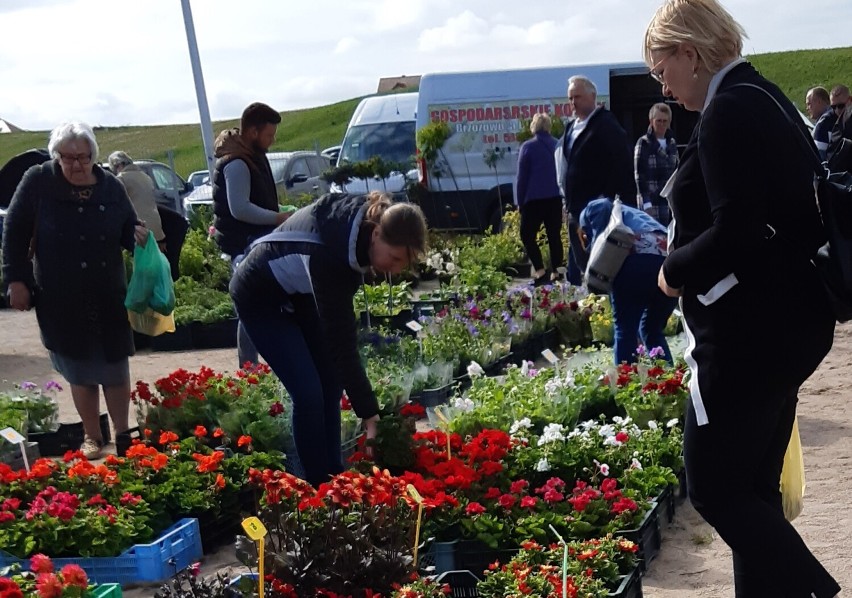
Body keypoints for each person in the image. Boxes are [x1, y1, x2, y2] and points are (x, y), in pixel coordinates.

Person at [644, 1, 839, 596]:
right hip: (792, 321)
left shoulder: (728, 110)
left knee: (714, 486)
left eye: (661, 70)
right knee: (753, 491)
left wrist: (673, 271)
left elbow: (739, 230)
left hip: (753, 334)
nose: (664, 87)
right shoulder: (765, 96)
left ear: (690, 53)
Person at [229, 191, 427, 486]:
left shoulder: (360, 231)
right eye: (395, 258)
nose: (395, 270)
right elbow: (342, 343)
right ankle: (317, 486)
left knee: (331, 383)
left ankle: (334, 475)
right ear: (375, 234)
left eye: (403, 263)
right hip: (258, 297)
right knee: (308, 392)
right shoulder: (331, 255)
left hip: (297, 293)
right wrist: (369, 414)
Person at [2, 122, 149, 459]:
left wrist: (137, 238)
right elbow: (14, 230)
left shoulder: (110, 186)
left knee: (114, 365)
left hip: (107, 290)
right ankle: (92, 436)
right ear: (56, 156)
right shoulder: (39, 180)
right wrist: (15, 279)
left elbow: (127, 227)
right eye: (66, 158)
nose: (75, 165)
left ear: (93, 156)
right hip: (60, 292)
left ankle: (125, 435)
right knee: (79, 367)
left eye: (82, 158)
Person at [211, 102, 290, 368]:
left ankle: (254, 366)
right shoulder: (237, 164)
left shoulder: (251, 157)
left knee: (256, 303)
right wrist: (277, 218)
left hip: (254, 241)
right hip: (241, 244)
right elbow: (240, 208)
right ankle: (249, 368)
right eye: (269, 135)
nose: (272, 140)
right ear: (253, 132)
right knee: (250, 304)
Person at [556, 75, 634, 285]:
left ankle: (603, 308)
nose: (573, 102)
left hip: (597, 211)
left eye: (578, 97)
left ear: (592, 97)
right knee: (583, 266)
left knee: (600, 267)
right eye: (570, 98)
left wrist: (609, 198)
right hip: (575, 211)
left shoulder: (605, 124)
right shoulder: (571, 128)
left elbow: (622, 164)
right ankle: (592, 307)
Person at [580, 198, 676, 364]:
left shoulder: (601, 216)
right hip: (670, 263)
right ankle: (667, 380)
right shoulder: (632, 214)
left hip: (635, 263)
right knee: (651, 329)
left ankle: (626, 381)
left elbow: (603, 254)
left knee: (625, 330)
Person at [515, 113, 563, 285]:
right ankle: (557, 272)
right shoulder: (558, 144)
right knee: (554, 236)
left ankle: (540, 270)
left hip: (533, 200)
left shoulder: (527, 147)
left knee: (527, 235)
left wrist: (520, 202)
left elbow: (522, 179)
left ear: (534, 127)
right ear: (548, 126)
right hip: (555, 198)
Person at [634, 102, 679, 225]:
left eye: (665, 121)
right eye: (659, 121)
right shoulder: (643, 143)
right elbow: (639, 175)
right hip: (651, 202)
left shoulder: (672, 143)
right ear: (651, 121)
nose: (662, 124)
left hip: (669, 202)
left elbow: (677, 171)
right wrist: (646, 204)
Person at [107, 151, 165, 247]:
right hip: (157, 227)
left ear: (119, 165)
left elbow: (114, 204)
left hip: (139, 229)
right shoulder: (146, 177)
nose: (115, 171)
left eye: (115, 168)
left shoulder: (121, 178)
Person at [805, 87, 837, 161]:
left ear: (819, 102)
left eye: (809, 104)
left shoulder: (823, 123)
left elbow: (819, 158)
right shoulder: (839, 114)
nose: (807, 108)